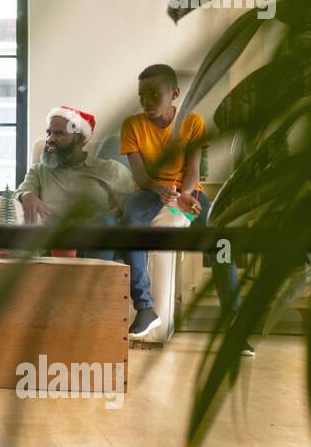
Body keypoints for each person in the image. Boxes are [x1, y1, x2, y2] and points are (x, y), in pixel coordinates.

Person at [120, 65, 251, 353]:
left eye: (155, 94)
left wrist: (185, 196)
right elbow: (141, 176)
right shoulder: (132, 125)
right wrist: (162, 191)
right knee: (130, 221)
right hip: (149, 193)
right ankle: (145, 308)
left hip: (188, 193)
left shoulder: (192, 122)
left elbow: (193, 170)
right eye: (142, 95)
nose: (147, 101)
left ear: (175, 93)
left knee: (221, 243)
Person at [14, 105, 134, 260]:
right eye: (49, 133)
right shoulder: (39, 170)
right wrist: (26, 194)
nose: (50, 139)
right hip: (55, 247)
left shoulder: (110, 170)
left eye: (59, 134)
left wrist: (174, 210)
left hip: (99, 246)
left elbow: (133, 207)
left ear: (80, 139)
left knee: (103, 221)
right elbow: (20, 191)